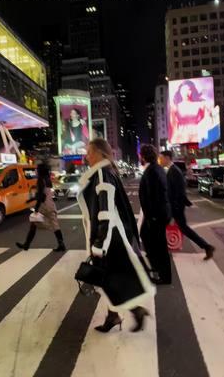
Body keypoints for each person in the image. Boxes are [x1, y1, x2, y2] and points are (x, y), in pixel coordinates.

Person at [77, 138, 155, 333]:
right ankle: (117, 315)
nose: (87, 156)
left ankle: (131, 312)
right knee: (109, 279)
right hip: (112, 237)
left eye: (89, 152)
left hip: (109, 239)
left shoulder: (102, 174)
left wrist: (99, 243)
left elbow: (106, 212)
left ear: (99, 154)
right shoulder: (105, 172)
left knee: (107, 278)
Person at [159, 151, 215, 260]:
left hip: (175, 207)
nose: (160, 160)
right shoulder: (172, 170)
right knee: (182, 229)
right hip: (174, 206)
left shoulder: (174, 171)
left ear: (167, 158)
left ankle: (207, 246)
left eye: (161, 158)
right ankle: (207, 247)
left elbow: (180, 191)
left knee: (174, 228)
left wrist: (176, 208)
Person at [139, 144, 172, 285]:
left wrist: (152, 217)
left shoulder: (152, 171)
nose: (140, 157)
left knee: (158, 244)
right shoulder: (156, 169)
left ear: (144, 156)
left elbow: (156, 196)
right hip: (158, 214)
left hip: (156, 215)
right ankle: (157, 269)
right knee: (150, 239)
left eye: (141, 155)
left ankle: (163, 275)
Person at [15, 163, 66, 252]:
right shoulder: (48, 179)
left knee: (33, 224)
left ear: (40, 171)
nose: (36, 171)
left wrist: (36, 208)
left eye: (37, 169)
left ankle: (26, 244)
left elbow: (41, 196)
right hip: (51, 204)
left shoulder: (40, 180)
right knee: (55, 225)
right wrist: (31, 199)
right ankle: (61, 244)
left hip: (44, 205)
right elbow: (45, 193)